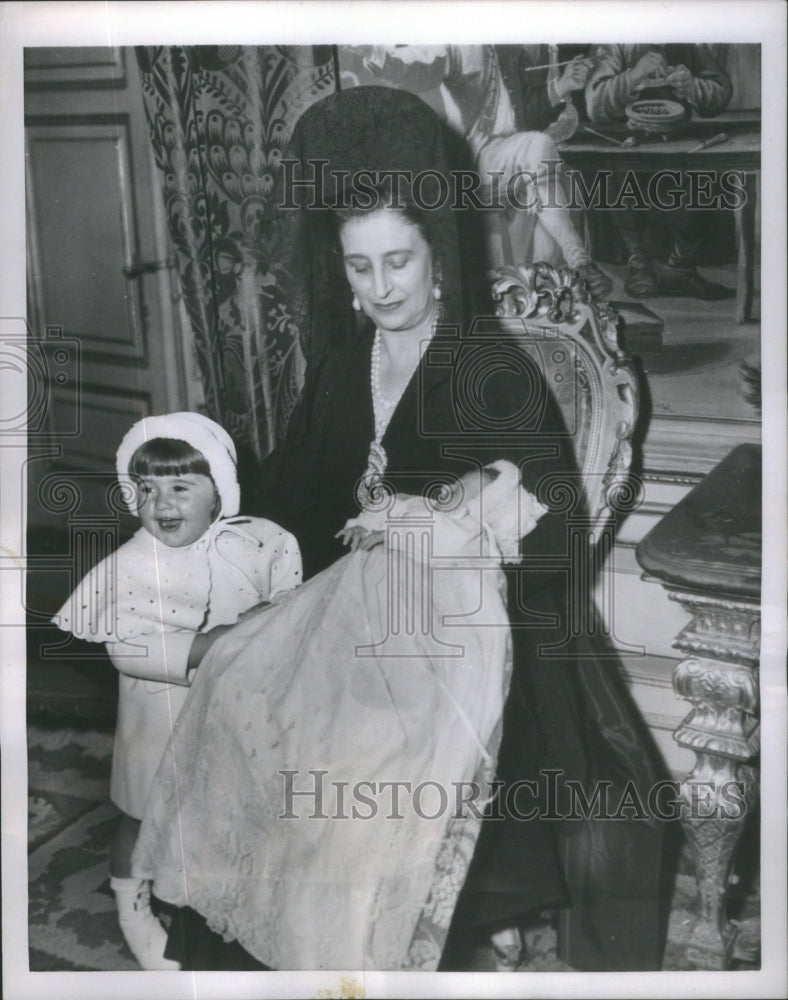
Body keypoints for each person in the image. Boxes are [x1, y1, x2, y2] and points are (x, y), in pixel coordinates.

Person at [142, 86, 665, 972]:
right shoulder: (345, 368)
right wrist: (222, 535)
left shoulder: (489, 369)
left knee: (355, 757)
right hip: (347, 620)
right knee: (237, 691)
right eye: (359, 268)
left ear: (436, 260)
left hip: (476, 640)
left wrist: (441, 529)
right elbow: (295, 495)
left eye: (398, 262)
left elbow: (554, 534)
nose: (381, 288)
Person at [132, 458, 548, 970]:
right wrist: (373, 525)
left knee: (374, 732)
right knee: (251, 669)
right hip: (364, 598)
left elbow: (447, 546)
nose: (450, 500)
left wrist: (402, 533)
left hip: (440, 623)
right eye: (450, 492)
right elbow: (388, 511)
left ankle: (342, 923)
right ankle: (237, 878)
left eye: (464, 496)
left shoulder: (475, 539)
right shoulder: (417, 507)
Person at [52, 411, 302, 970]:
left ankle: (221, 898)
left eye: (181, 488)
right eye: (146, 489)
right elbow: (128, 648)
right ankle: (130, 899)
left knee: (227, 805)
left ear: (220, 493)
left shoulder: (259, 541)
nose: (161, 503)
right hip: (160, 716)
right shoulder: (131, 568)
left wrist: (278, 616)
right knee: (143, 812)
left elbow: (290, 595)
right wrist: (218, 640)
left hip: (237, 709)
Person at [341, 45, 613, 299]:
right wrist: (374, 51)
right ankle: (576, 264)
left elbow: (522, 116)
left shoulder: (505, 48)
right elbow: (414, 67)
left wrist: (562, 85)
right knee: (540, 148)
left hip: (508, 158)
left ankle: (555, 287)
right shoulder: (459, 45)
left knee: (557, 175)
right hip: (471, 166)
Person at [585, 44, 734, 299]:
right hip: (628, 137)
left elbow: (721, 92)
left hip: (681, 137)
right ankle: (638, 263)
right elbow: (594, 104)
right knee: (619, 168)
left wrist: (692, 86)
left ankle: (680, 267)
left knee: (707, 169)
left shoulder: (688, 39)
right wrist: (633, 76)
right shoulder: (617, 42)